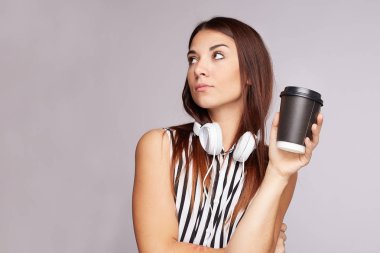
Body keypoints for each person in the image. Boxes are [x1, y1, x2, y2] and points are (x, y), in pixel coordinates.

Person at [132, 16, 323, 253]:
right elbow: (156, 250)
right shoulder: (160, 146)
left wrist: (278, 172)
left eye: (217, 55)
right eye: (193, 59)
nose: (198, 69)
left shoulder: (278, 168)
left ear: (250, 74)